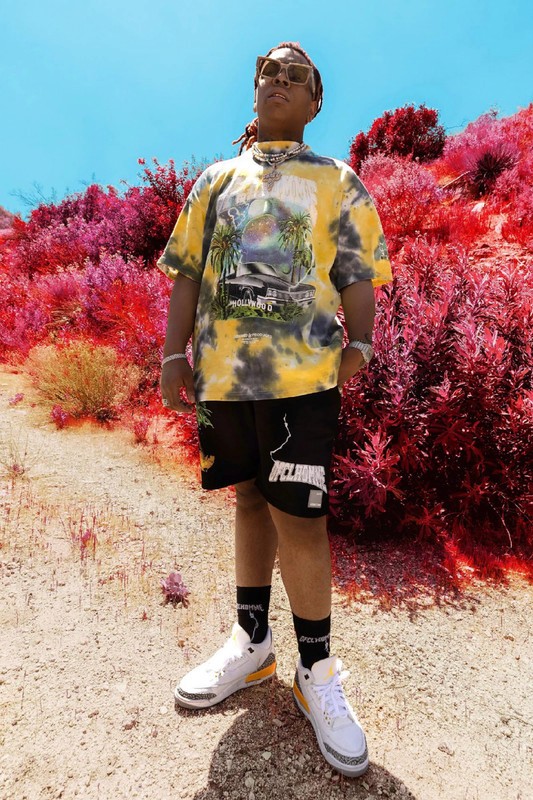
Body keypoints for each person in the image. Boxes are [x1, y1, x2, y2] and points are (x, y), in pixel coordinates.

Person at [157, 41, 392, 778]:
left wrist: (361, 345)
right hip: (225, 377)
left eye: (296, 75)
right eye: (269, 71)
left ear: (315, 102)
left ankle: (315, 670)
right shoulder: (215, 180)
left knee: (301, 517)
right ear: (255, 89)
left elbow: (357, 271)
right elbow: (188, 272)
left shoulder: (337, 181)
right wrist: (171, 356)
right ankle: (252, 643)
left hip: (302, 378)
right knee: (249, 501)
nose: (279, 80)